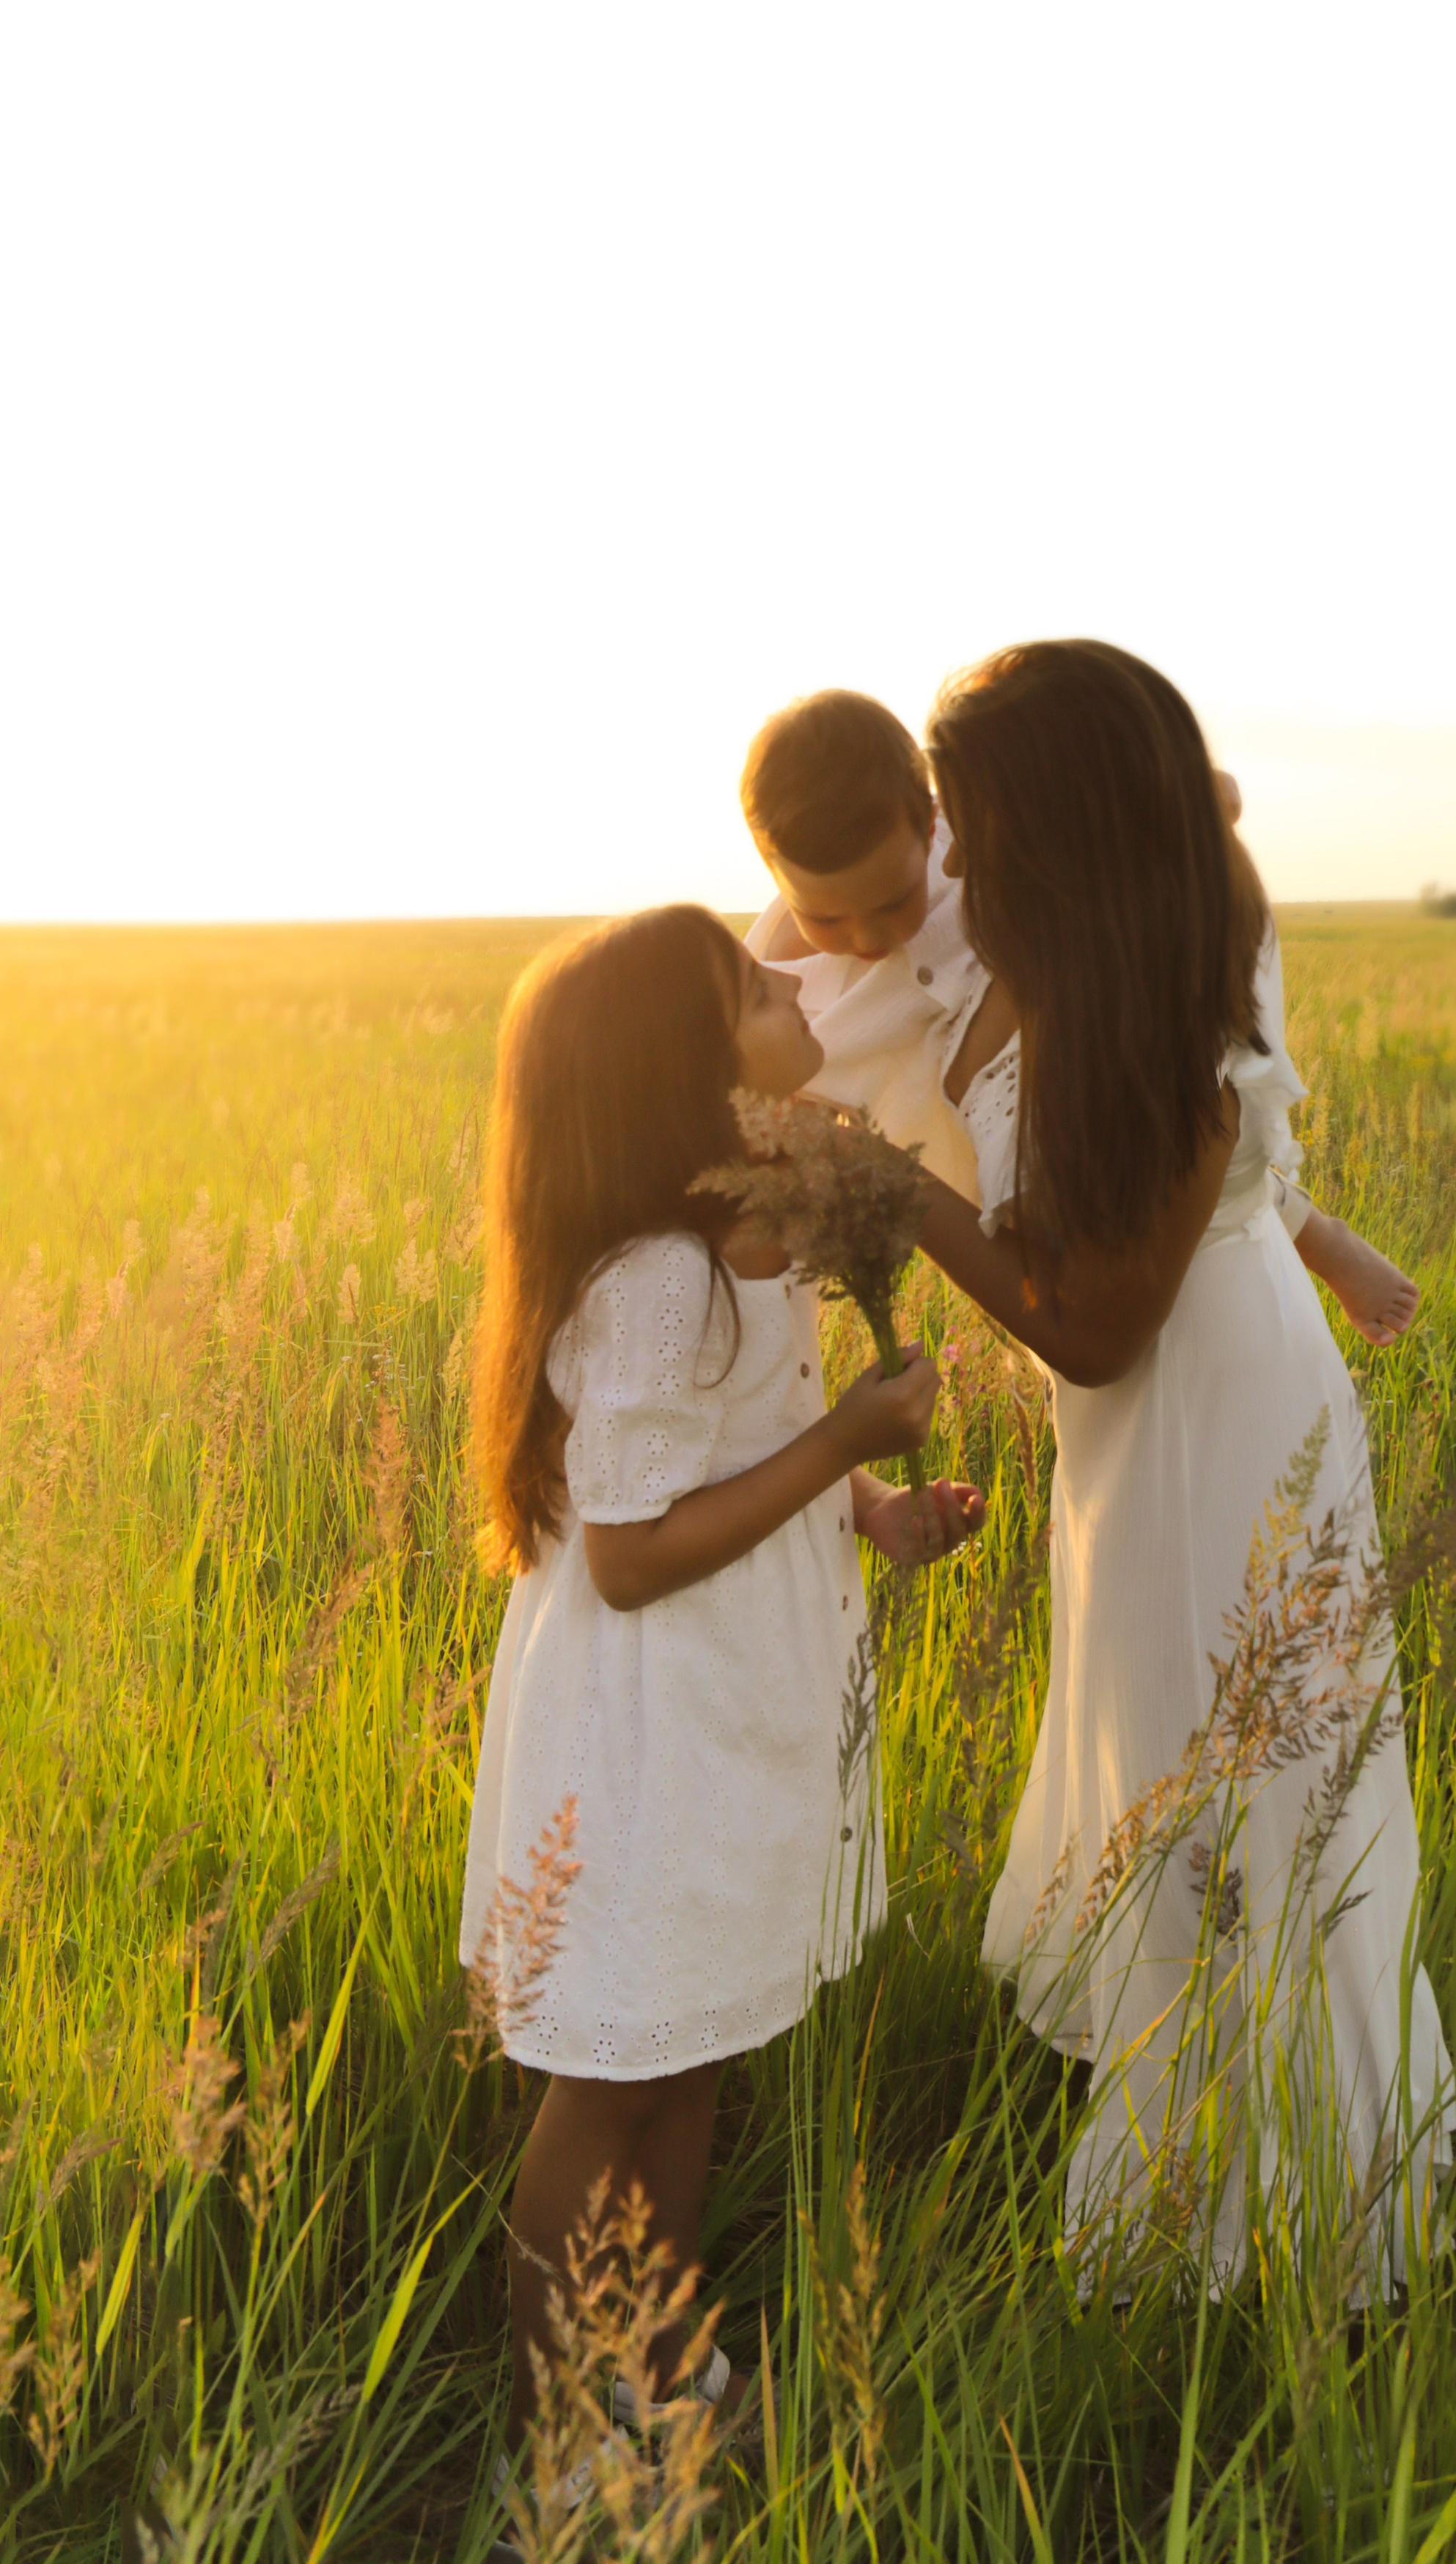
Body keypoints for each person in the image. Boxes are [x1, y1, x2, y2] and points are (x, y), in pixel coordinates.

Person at [915, 641, 1455, 2292]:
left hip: (1215, 1418)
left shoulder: (1160, 1001)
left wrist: (893, 1199)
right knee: (1155, 1752)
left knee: (1242, 1784)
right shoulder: (1060, 937)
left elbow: (1088, 1327)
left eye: (969, 813)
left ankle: (1269, 2202)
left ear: (1046, 825)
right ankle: (1180, 2084)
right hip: (1137, 1442)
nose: (948, 846)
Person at [460, 906, 980, 2526]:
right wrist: (844, 1448)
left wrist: (871, 1516)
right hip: (646, 1720)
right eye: (753, 990)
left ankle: (657, 2365)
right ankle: (566, 2420)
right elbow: (625, 1555)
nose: (789, 984)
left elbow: (721, 1462)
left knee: (687, 2045)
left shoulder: (748, 1235)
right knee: (611, 2068)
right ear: (686, 1075)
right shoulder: (658, 1283)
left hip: (725, 1694)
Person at [741, 686, 1420, 1344]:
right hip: (973, 1192)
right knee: (1065, 1304)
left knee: (1169, 1150)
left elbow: (1208, 795)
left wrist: (1182, 797)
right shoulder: (776, 982)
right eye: (826, 916)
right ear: (772, 873)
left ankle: (1318, 1237)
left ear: (929, 821)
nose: (866, 938)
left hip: (1055, 1084)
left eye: (894, 900)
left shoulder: (980, 829)